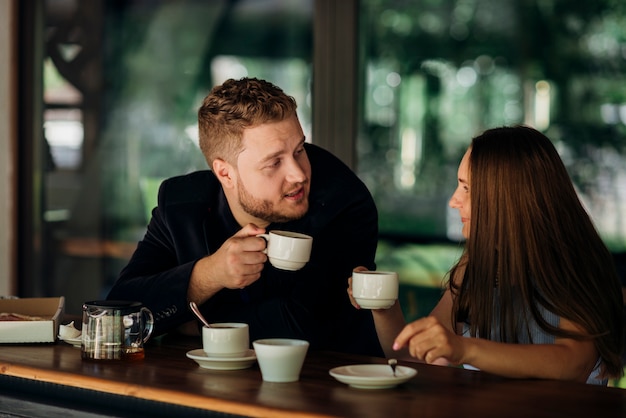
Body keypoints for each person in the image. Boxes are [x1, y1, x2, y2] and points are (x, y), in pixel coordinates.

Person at [107, 77, 383, 357]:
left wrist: (188, 324)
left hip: (328, 386)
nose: (299, 174)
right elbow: (117, 314)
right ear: (225, 173)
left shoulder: (343, 202)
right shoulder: (181, 204)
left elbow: (303, 327)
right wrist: (209, 274)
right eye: (274, 162)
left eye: (300, 150)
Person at [349, 125, 624, 384]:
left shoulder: (577, 265)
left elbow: (574, 364)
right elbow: (413, 361)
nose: (454, 200)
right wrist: (383, 306)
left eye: (467, 188)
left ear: (507, 197)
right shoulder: (474, 266)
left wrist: (465, 348)